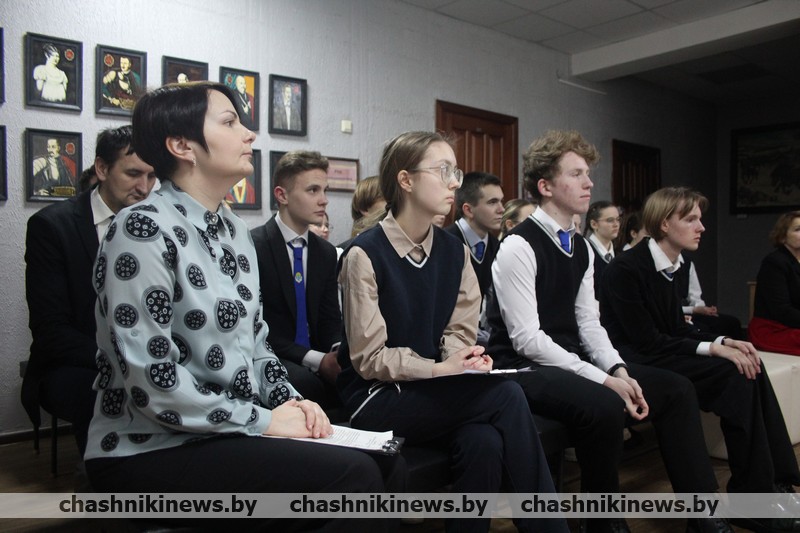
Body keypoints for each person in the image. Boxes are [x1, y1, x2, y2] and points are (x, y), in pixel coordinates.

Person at [84, 82, 401, 532]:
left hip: (226, 430)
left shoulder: (233, 230)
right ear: (182, 146)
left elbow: (256, 346)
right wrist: (266, 420)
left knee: (388, 463)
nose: (249, 134)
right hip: (148, 446)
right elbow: (153, 382)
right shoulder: (140, 230)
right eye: (230, 122)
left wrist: (295, 403)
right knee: (354, 479)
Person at [487, 131, 730, 533]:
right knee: (602, 403)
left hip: (565, 359)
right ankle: (601, 520)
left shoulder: (580, 247)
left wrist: (618, 369)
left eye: (588, 173)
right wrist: (602, 379)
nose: (589, 183)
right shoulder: (518, 245)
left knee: (675, 389)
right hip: (521, 366)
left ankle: (702, 512)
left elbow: (589, 323)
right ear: (545, 186)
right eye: (576, 174)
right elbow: (526, 340)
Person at [337, 131, 566, 533]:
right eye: (443, 171)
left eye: (455, 172)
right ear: (406, 180)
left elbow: (460, 330)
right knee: (507, 395)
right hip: (375, 396)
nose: (454, 182)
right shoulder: (364, 253)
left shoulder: (453, 251)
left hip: (431, 389)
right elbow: (369, 359)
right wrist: (439, 370)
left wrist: (462, 359)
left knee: (484, 441)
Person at [599, 187, 800, 531]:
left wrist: (725, 341)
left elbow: (676, 327)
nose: (701, 227)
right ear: (664, 224)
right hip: (634, 359)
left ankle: (770, 485)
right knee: (733, 371)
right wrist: (713, 349)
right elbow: (645, 340)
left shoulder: (674, 264)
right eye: (691, 219)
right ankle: (753, 496)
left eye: (699, 219)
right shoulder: (626, 268)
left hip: (660, 351)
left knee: (748, 365)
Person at [22, 125, 157, 456]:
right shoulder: (52, 227)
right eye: (133, 174)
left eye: (152, 176)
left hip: (144, 357)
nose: (144, 188)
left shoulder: (158, 224)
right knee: (106, 396)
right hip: (75, 362)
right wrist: (121, 362)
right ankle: (104, 479)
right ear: (102, 169)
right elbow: (51, 330)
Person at [251, 151, 343, 409]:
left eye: (325, 190)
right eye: (313, 190)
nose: (324, 200)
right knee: (307, 384)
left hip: (316, 353)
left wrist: (337, 351)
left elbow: (329, 318)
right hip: (271, 354)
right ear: (282, 195)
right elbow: (258, 326)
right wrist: (317, 360)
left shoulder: (325, 252)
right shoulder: (254, 246)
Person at [444, 171, 504, 298]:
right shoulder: (443, 243)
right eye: (492, 202)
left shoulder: (498, 247)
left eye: (501, 201)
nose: (501, 209)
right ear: (469, 210)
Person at [749, 211, 800, 356]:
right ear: (783, 237)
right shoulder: (774, 262)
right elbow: (782, 311)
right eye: (798, 229)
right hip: (772, 329)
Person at [675, 256, 743, 339]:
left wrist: (704, 310)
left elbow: (695, 296)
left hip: (690, 311)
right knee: (702, 329)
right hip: (675, 314)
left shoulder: (687, 263)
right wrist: (693, 309)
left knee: (731, 323)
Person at [584, 200, 620, 287]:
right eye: (610, 220)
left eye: (618, 219)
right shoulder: (585, 252)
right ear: (594, 224)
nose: (616, 224)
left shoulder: (620, 253)